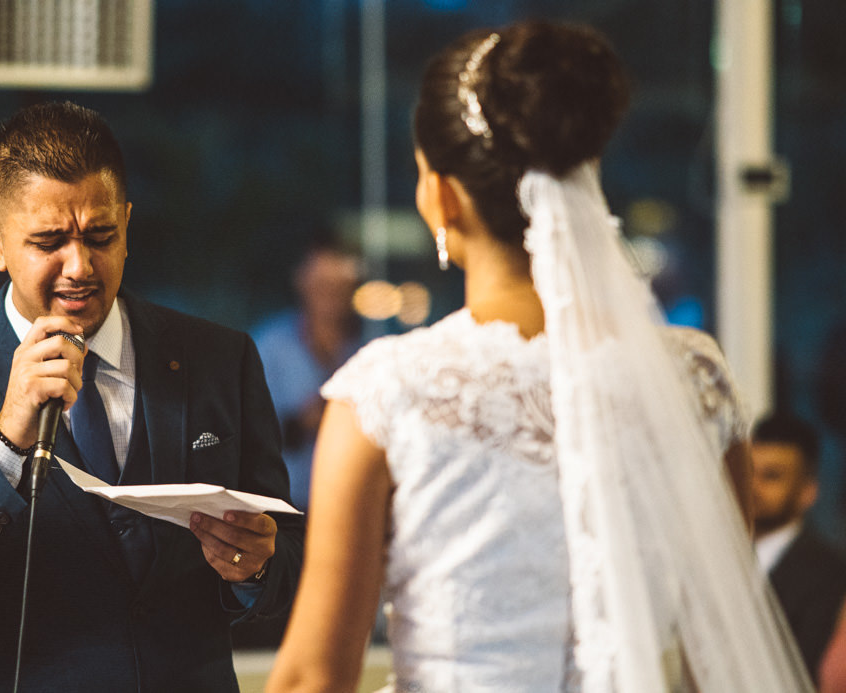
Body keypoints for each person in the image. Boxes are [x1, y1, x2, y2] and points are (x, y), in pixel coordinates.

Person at [267, 21, 810, 692]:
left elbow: (312, 677)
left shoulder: (386, 395)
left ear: (438, 194)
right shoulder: (694, 380)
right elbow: (720, 657)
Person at [0, 101, 303, 692]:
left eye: (101, 236)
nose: (80, 266)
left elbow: (289, 560)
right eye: (49, 242)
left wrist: (257, 567)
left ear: (126, 223)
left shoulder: (221, 359)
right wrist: (4, 440)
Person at [252, 234, 362, 512]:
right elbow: (251, 435)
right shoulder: (269, 346)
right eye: (321, 287)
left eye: (337, 288)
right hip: (285, 505)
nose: (329, 297)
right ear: (301, 281)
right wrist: (304, 421)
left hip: (355, 502)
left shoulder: (371, 345)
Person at [752, 413, 846, 685]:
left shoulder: (831, 573)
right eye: (749, 473)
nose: (754, 487)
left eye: (772, 476)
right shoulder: (718, 559)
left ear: (808, 491)